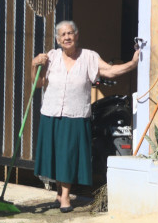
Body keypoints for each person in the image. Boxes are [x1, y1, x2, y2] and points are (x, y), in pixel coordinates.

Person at [32, 20, 140, 212]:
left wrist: (132, 64)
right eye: (63, 35)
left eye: (70, 33)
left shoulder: (89, 57)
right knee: (57, 156)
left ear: (76, 35)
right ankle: (59, 194)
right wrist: (34, 65)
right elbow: (38, 83)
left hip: (75, 115)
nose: (67, 37)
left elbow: (109, 70)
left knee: (68, 156)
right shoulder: (51, 56)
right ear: (57, 39)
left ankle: (65, 197)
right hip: (51, 112)